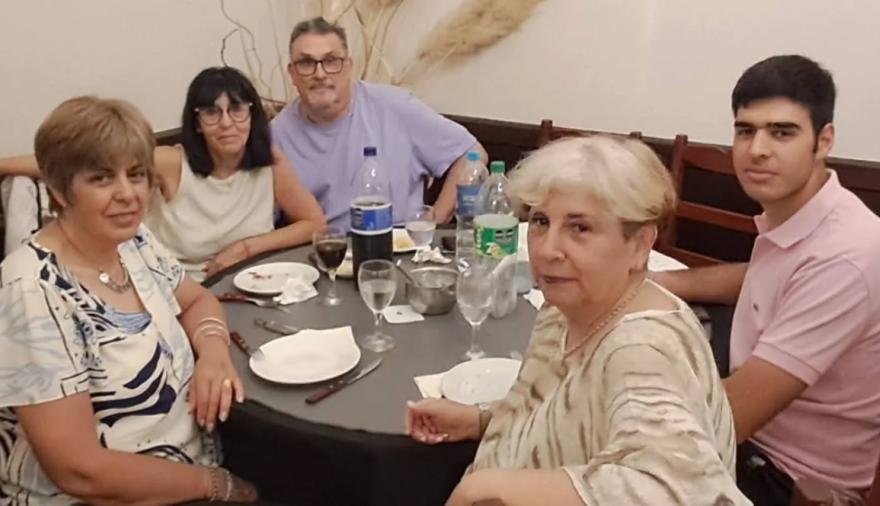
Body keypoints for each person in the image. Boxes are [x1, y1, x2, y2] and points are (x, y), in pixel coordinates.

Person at [405, 136, 749, 506]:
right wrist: (483, 420)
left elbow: (683, 492)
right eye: (541, 221)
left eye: (580, 228)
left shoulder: (643, 350)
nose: (547, 249)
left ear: (639, 244)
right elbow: (568, 412)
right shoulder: (570, 304)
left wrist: (485, 488)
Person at [0, 96, 257, 503]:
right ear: (61, 191)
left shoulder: (132, 241)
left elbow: (197, 301)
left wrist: (213, 353)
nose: (128, 194)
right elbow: (79, 470)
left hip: (193, 467)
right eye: (102, 179)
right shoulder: (32, 289)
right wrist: (216, 485)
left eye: (136, 175)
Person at [653, 55, 880, 505]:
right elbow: (765, 278)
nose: (757, 149)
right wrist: (662, 281)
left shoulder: (847, 256)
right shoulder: (812, 214)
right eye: (745, 130)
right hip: (752, 429)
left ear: (824, 140)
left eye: (782, 132)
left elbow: (728, 419)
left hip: (784, 476)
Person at [0, 66, 327, 281]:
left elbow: (314, 223)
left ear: (252, 114)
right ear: (196, 123)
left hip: (255, 284)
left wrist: (246, 249)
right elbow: (79, 161)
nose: (227, 123)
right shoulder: (172, 163)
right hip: (178, 291)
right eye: (212, 112)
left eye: (237, 109)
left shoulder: (269, 162)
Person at [271, 17, 486, 230]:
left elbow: (471, 152)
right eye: (306, 63)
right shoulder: (275, 134)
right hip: (323, 246)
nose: (319, 74)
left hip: (399, 241)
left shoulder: (395, 107)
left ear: (348, 67)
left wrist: (436, 218)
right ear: (292, 74)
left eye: (331, 61)